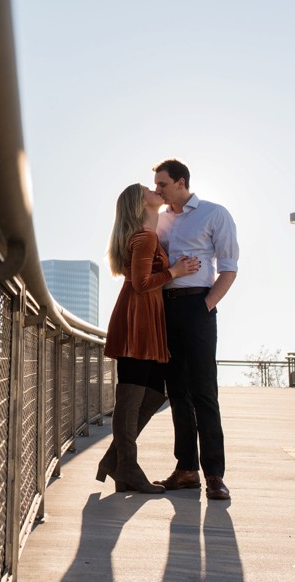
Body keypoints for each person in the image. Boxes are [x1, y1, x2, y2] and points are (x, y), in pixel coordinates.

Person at [97, 183, 200, 494]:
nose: (156, 191)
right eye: (149, 190)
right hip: (137, 320)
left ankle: (115, 461)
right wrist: (175, 271)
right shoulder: (145, 237)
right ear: (139, 203)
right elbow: (142, 284)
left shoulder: (147, 235)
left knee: (155, 392)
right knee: (129, 399)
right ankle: (126, 468)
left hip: (144, 318)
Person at [151, 159, 239, 500]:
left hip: (198, 305)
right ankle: (187, 469)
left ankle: (215, 475)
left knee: (204, 391)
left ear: (181, 183)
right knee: (177, 392)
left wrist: (205, 307)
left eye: (162, 184)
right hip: (165, 307)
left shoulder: (215, 214)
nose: (157, 189)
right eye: (156, 184)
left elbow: (229, 269)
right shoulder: (159, 220)